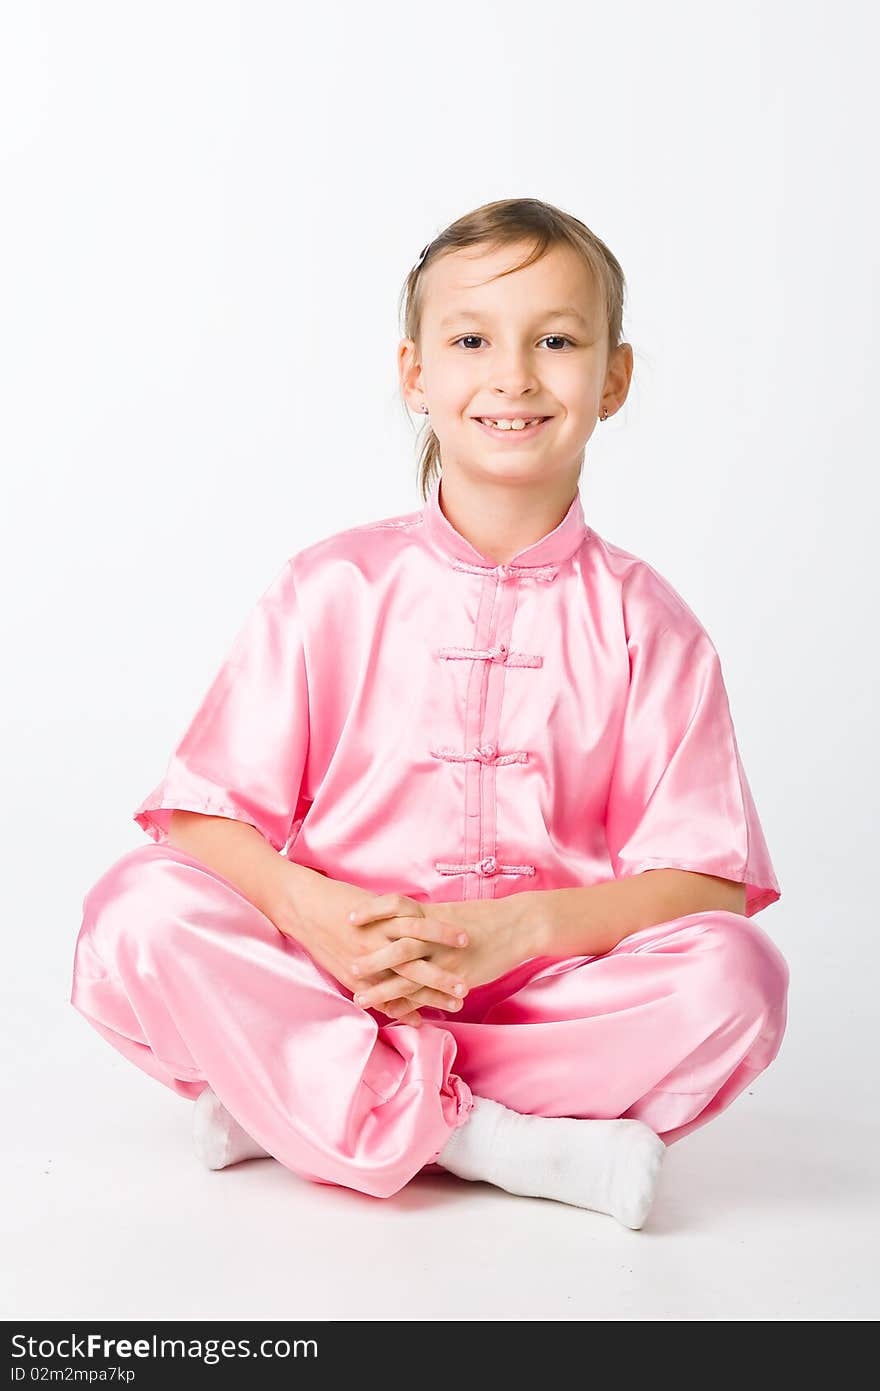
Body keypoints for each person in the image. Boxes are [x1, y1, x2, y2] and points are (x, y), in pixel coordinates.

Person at [69, 197, 789, 1231]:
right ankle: (485, 1137)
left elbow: (706, 880)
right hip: (336, 972)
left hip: (539, 999)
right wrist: (311, 911)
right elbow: (200, 814)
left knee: (738, 975)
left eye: (556, 339)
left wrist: (521, 928)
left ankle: (300, 1098)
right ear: (415, 373)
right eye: (470, 339)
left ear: (614, 378)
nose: (515, 374)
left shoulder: (650, 625)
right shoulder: (328, 587)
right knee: (134, 909)